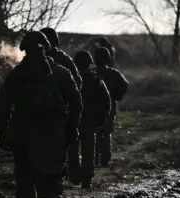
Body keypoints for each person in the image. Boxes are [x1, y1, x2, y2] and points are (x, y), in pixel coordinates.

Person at [0, 31, 82, 198]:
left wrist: (3, 134)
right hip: (54, 133)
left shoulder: (17, 75)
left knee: (25, 179)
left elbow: (3, 107)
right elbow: (76, 102)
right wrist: (71, 128)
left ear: (24, 50)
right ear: (46, 48)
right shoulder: (60, 72)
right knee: (52, 176)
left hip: (24, 134)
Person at [40, 27, 83, 184]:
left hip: (47, 110)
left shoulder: (35, 59)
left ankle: (68, 175)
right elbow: (77, 83)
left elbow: (76, 82)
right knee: (69, 139)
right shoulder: (62, 59)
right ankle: (71, 175)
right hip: (55, 110)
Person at [73, 50, 111, 188]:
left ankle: (74, 175)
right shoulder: (96, 80)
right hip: (89, 121)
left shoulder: (70, 78)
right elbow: (107, 102)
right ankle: (86, 179)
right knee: (88, 150)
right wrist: (101, 119)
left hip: (73, 120)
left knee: (72, 149)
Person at [94, 47, 129, 168]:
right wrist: (116, 96)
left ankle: (93, 157)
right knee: (106, 132)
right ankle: (104, 158)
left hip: (91, 108)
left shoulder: (91, 72)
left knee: (93, 133)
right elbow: (125, 85)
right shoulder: (113, 73)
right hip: (108, 107)